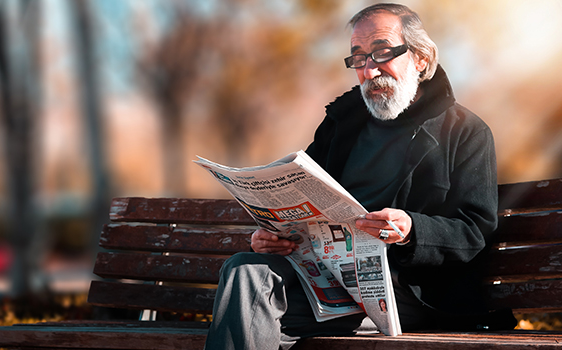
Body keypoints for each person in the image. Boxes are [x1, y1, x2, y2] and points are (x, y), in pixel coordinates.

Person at [204, 3, 516, 349]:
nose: (369, 71)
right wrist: (271, 235)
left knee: (253, 324)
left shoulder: (466, 132)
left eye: (382, 53)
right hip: (325, 278)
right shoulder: (341, 124)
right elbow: (302, 193)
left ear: (421, 58)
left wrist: (411, 229)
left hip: (407, 289)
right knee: (246, 269)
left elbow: (475, 230)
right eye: (359, 59)